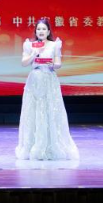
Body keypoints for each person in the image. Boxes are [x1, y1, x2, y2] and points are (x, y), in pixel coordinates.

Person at [15, 18, 80, 160]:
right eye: (38, 29)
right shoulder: (29, 45)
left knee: (50, 109)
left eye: (44, 29)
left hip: (49, 79)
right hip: (35, 80)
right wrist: (34, 53)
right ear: (35, 31)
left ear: (48, 31)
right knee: (34, 111)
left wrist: (53, 64)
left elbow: (58, 63)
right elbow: (24, 63)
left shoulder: (54, 45)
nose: (41, 31)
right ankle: (33, 146)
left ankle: (51, 145)